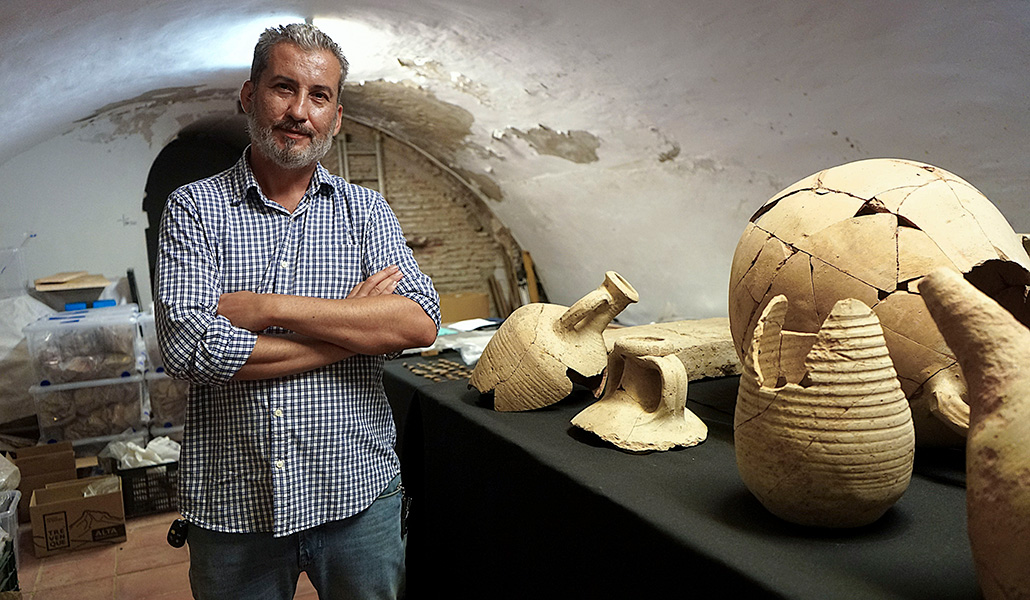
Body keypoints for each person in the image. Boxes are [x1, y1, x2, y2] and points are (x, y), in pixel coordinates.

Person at [154, 22, 440, 600]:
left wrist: (267, 307)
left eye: (319, 96)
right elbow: (192, 349)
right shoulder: (193, 208)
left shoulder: (366, 211)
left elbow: (417, 322)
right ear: (249, 94)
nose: (299, 111)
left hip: (358, 495)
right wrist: (353, 330)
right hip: (235, 506)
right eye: (284, 88)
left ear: (336, 115)